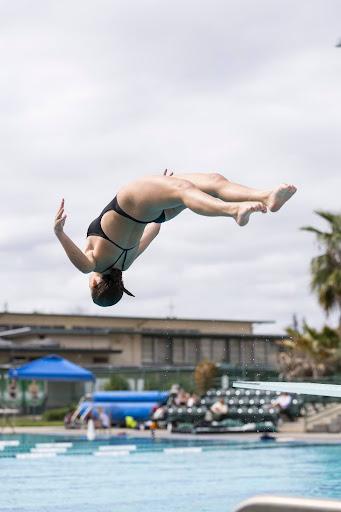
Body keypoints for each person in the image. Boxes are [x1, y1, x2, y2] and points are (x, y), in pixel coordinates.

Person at [54, 170, 297, 307]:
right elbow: (84, 267)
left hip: (153, 214)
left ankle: (266, 197)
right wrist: (59, 233)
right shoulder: (94, 263)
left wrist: (158, 191)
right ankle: (234, 210)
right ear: (95, 285)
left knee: (212, 181)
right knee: (188, 189)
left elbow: (154, 229)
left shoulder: (125, 263)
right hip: (133, 201)